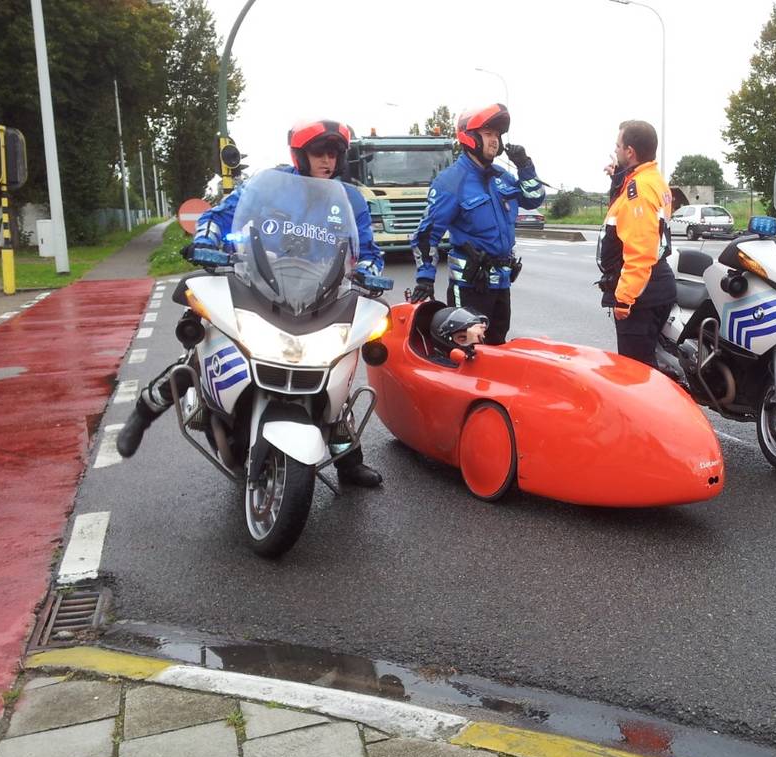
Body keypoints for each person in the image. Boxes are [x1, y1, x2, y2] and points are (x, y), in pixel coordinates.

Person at [116, 119, 385, 487]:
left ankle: (348, 460)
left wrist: (370, 269)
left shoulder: (351, 198)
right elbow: (218, 216)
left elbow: (367, 249)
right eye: (319, 152)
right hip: (259, 281)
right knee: (203, 347)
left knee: (337, 367)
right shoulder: (267, 186)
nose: (328, 160)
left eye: (334, 153)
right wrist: (208, 241)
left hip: (320, 292)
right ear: (299, 155)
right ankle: (145, 410)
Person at [409, 104, 544, 345]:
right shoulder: (451, 181)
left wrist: (524, 166)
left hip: (501, 284)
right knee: (470, 353)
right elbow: (426, 235)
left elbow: (533, 198)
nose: (495, 141)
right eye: (488, 134)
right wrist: (425, 278)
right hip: (470, 286)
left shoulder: (502, 176)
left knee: (497, 347)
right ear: (470, 138)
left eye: (498, 135)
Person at [596, 120, 676, 368]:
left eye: (618, 146)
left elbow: (640, 251)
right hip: (656, 284)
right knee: (649, 368)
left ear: (629, 151)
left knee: (637, 375)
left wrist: (624, 298)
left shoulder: (637, 189)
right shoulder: (653, 179)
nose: (616, 150)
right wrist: (618, 176)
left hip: (641, 295)